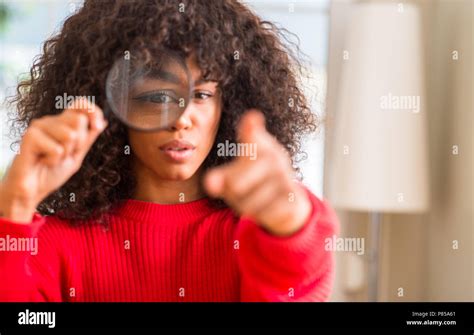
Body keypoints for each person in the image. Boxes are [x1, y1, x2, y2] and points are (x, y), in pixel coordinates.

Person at [0, 0, 338, 302]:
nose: (181, 120)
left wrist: (291, 224)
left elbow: (293, 282)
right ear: (112, 107)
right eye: (158, 96)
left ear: (230, 104)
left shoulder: (255, 236)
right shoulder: (51, 245)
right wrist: (12, 208)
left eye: (202, 95)